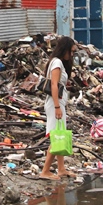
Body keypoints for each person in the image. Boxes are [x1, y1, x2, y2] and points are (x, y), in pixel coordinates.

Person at [40, 36, 77, 180]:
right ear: (65, 49)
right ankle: (45, 171)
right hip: (55, 104)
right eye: (71, 51)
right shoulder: (56, 62)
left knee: (60, 134)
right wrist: (57, 107)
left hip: (59, 103)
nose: (72, 55)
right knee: (56, 137)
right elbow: (54, 84)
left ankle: (61, 169)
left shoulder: (59, 62)